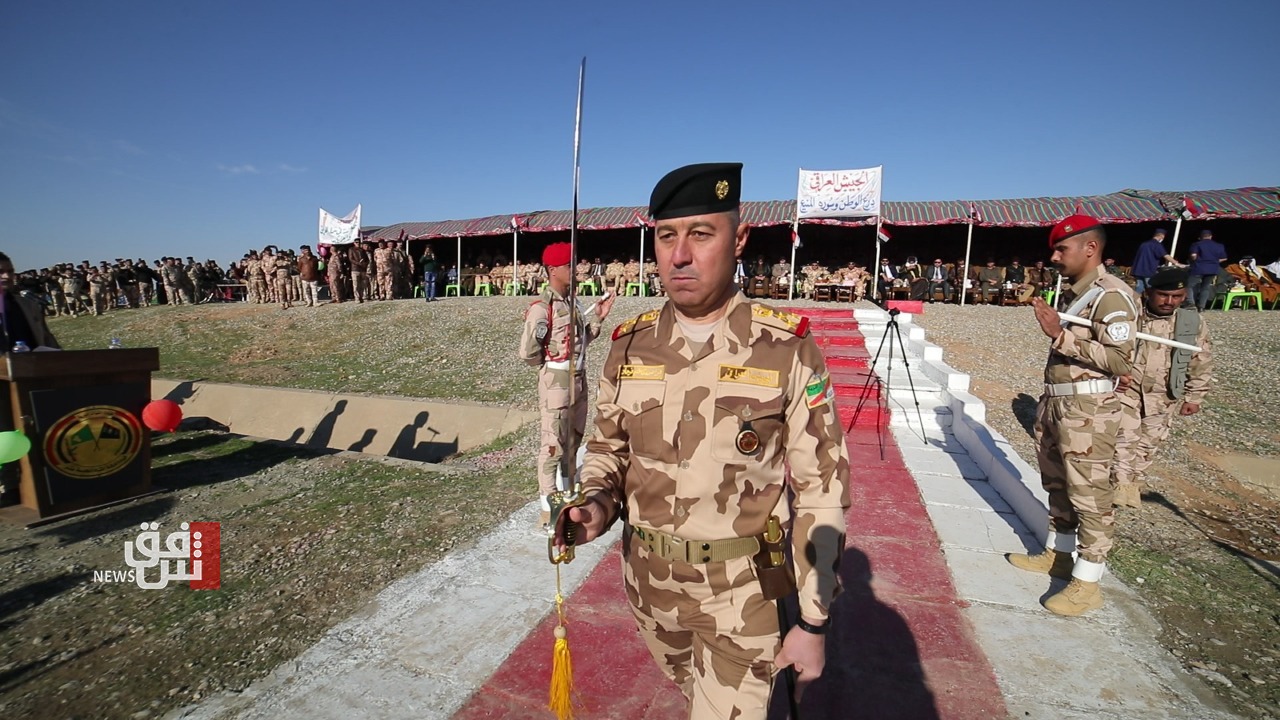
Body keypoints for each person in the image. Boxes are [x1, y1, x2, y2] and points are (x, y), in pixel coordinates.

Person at [556, 163, 851, 717]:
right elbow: (608, 449)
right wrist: (595, 504)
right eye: (667, 236)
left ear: (738, 239)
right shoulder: (630, 345)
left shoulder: (785, 348)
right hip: (649, 588)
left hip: (743, 593)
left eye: (700, 234)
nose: (680, 255)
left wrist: (813, 620)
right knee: (694, 698)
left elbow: (821, 489)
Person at [1007, 214, 1138, 617]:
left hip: (1089, 410)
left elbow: (1119, 360)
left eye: (1062, 248)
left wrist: (1058, 335)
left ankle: (1088, 583)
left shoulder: (1112, 295)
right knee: (1059, 486)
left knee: (1091, 496)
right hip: (1060, 403)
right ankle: (1060, 555)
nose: (1054, 256)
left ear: (1091, 248)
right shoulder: (1080, 294)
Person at [518, 242, 615, 528]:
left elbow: (582, 341)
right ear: (552, 270)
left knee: (572, 444)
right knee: (552, 448)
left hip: (578, 379)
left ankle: (569, 496)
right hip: (557, 381)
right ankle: (548, 509)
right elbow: (528, 352)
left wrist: (598, 316)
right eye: (569, 265)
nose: (576, 270)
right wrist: (550, 366)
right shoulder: (542, 308)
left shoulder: (573, 303)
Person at [1111, 268, 1212, 508]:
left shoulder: (1191, 322)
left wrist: (1194, 396)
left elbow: (1201, 359)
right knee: (1124, 440)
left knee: (1148, 444)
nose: (1169, 301)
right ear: (1148, 293)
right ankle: (1118, 491)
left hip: (1163, 396)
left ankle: (1132, 487)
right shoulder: (1129, 314)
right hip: (1128, 391)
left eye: (1177, 296)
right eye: (1163, 295)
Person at [0, 252, 60, 349]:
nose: (7, 276)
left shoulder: (28, 305)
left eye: (10, 271)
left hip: (32, 361)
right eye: (1, 272)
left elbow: (47, 339)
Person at [1130, 228, 1181, 293]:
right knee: (1151, 288)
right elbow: (1165, 255)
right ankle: (1151, 302)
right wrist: (1176, 263)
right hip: (1148, 270)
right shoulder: (1157, 245)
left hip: (1138, 270)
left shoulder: (1144, 244)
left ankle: (1134, 301)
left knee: (1139, 287)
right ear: (1162, 236)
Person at [1187, 229, 1227, 310]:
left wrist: (1196, 260)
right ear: (1211, 236)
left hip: (1199, 268)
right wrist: (1214, 261)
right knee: (1205, 287)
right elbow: (1224, 258)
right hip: (1212, 269)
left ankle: (1191, 303)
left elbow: (1193, 255)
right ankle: (1201, 306)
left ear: (1201, 237)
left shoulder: (1197, 244)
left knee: (1189, 285)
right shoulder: (1219, 245)